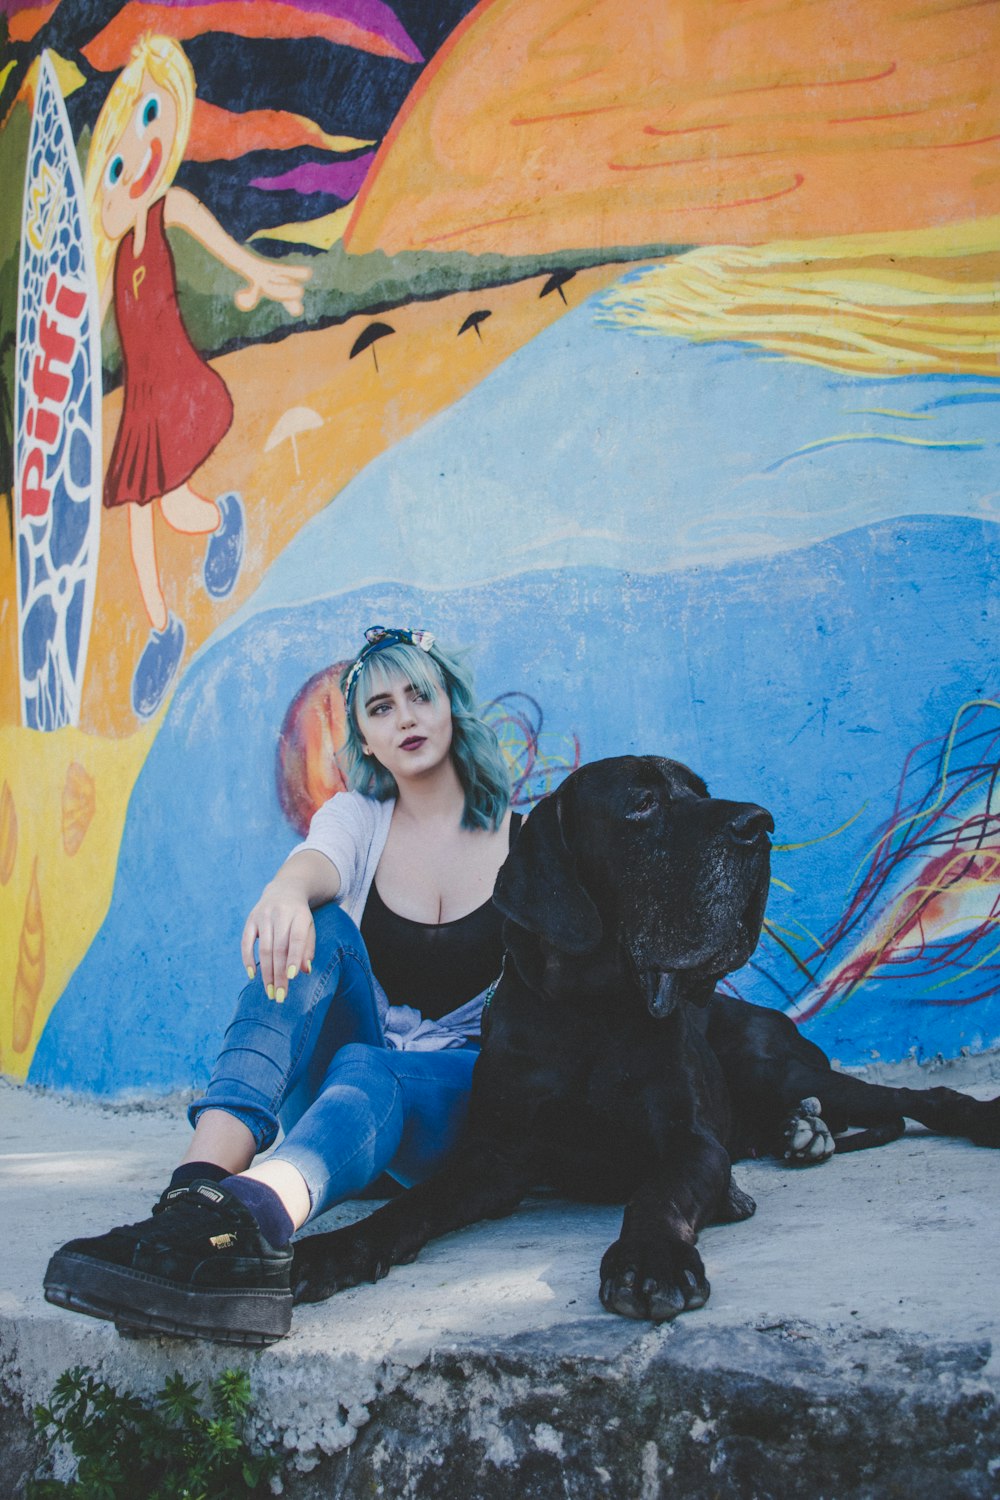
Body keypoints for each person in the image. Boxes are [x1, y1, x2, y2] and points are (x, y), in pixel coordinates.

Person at [44, 627, 518, 1345]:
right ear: (363, 736)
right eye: (381, 708)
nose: (407, 718)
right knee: (316, 927)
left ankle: (253, 1220)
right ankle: (193, 1198)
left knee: (368, 1064)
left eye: (420, 694)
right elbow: (315, 862)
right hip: (338, 1112)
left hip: (451, 1109)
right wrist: (285, 891)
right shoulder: (359, 820)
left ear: (450, 701)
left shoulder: (524, 837)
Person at [84, 34, 311, 718]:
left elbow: (224, 246)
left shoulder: (166, 211)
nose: (143, 144)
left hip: (174, 383)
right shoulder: (108, 250)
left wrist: (260, 274)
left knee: (150, 507)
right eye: (129, 134)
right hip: (142, 400)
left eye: (156, 118)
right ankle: (171, 612)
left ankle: (171, 608)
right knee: (147, 509)